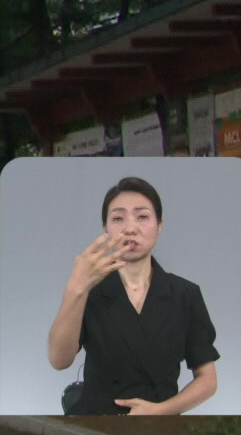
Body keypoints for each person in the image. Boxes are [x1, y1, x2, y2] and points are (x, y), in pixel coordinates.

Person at [47, 176, 220, 416]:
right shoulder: (90, 291)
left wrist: (162, 410)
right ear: (105, 228)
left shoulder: (185, 294)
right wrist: (76, 288)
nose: (130, 228)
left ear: (159, 224)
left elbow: (208, 380)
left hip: (161, 427)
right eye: (118, 218)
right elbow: (59, 360)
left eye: (142, 217)